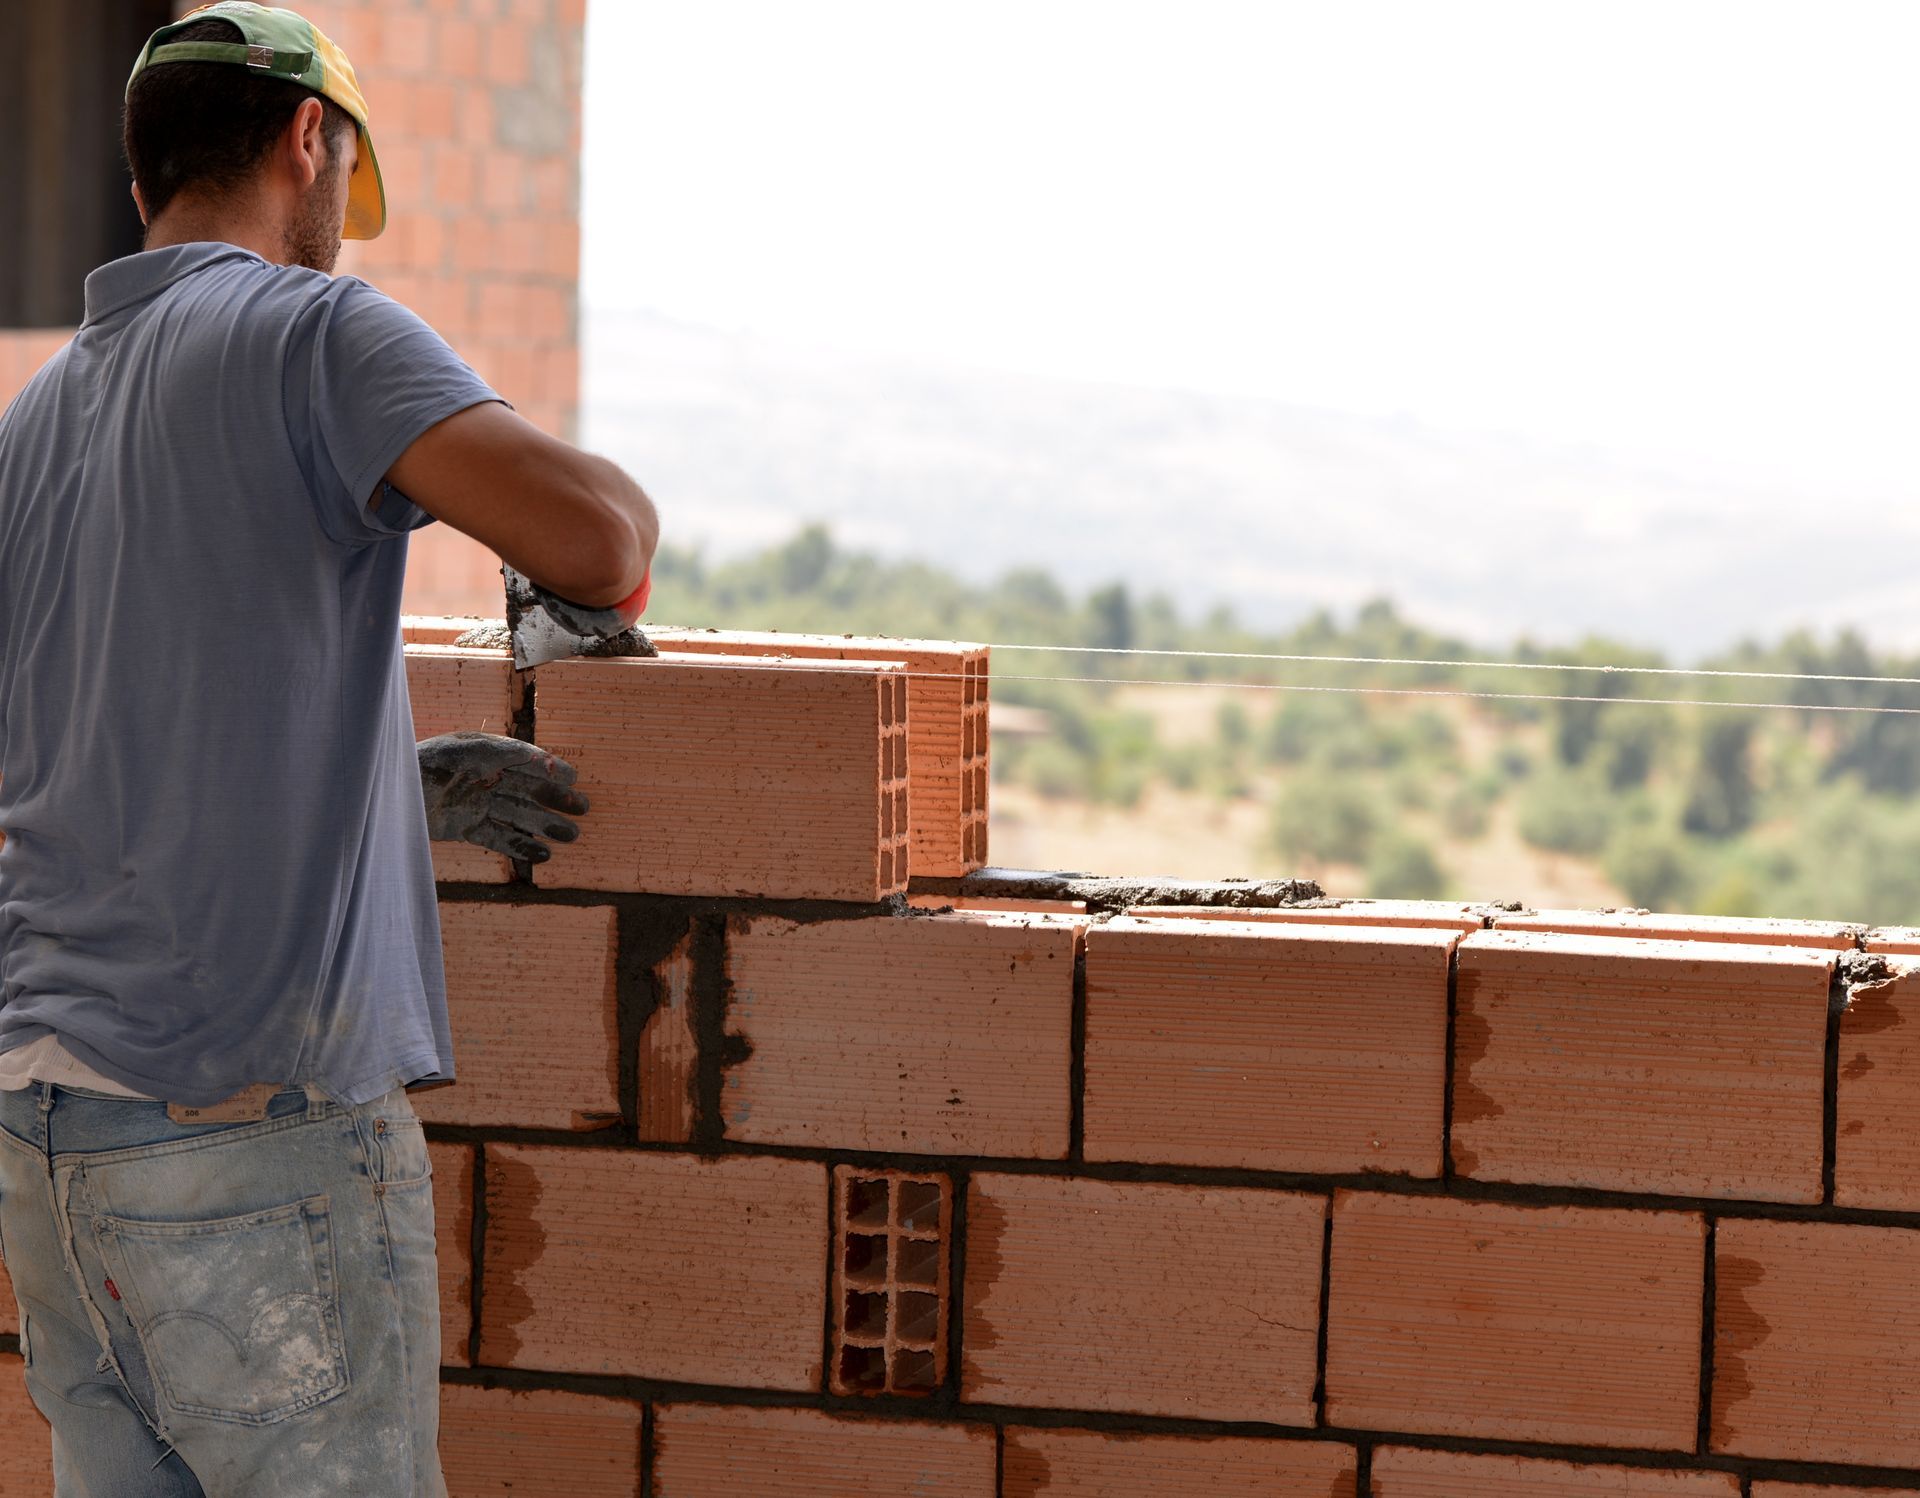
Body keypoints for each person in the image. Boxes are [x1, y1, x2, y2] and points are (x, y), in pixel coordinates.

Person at [0, 3, 657, 1492]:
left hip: (45, 1139)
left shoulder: (35, 423)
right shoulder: (313, 333)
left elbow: (86, 743)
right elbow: (599, 541)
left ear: (141, 180)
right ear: (312, 139)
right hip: (243, 1138)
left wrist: (378, 790)